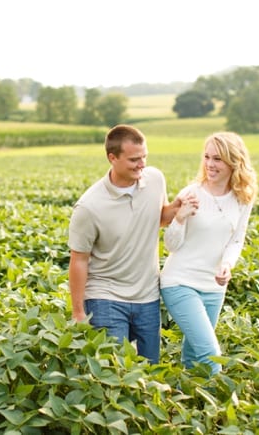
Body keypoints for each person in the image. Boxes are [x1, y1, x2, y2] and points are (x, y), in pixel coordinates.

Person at [67, 124, 180, 364]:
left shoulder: (155, 179)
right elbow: (78, 260)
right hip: (105, 296)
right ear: (112, 158)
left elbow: (158, 218)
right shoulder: (89, 206)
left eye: (144, 157)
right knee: (114, 369)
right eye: (134, 160)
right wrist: (77, 312)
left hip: (147, 295)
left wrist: (179, 207)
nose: (142, 164)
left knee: (150, 368)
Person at [160, 131, 258, 375]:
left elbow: (236, 239)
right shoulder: (191, 193)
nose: (210, 164)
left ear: (233, 162)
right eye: (207, 157)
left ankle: (191, 404)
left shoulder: (242, 198)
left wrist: (227, 264)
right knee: (209, 351)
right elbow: (170, 245)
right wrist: (180, 219)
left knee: (194, 354)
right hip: (180, 282)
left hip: (214, 286)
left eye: (218, 159)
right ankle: (221, 407)